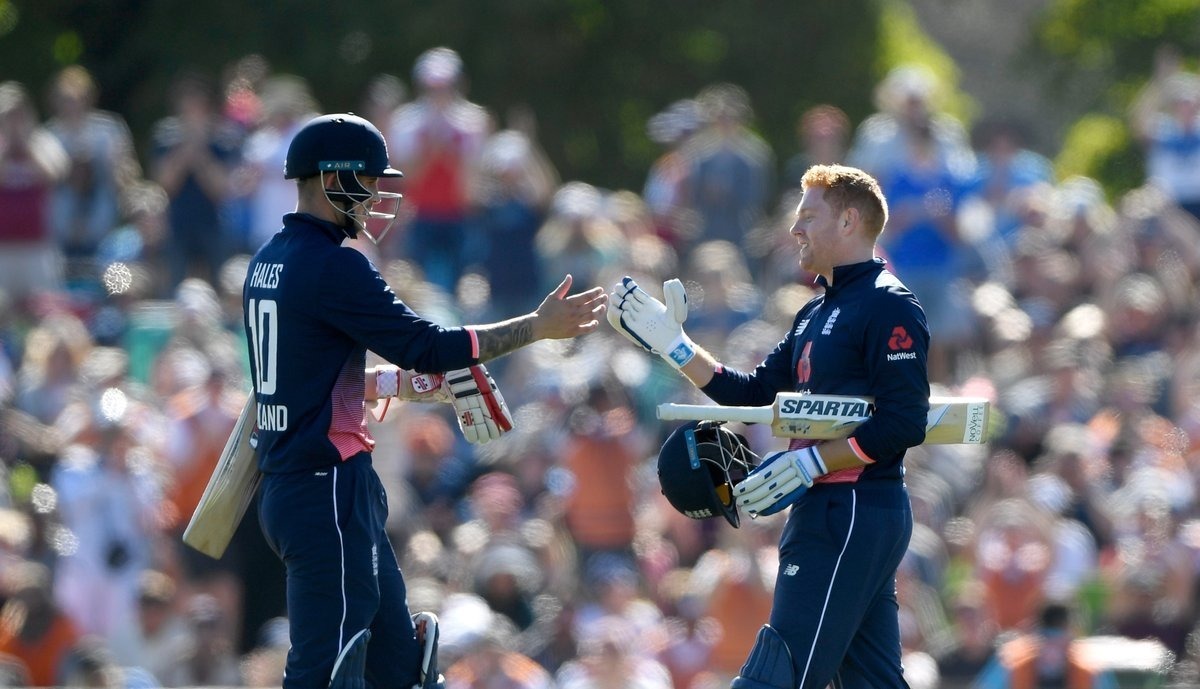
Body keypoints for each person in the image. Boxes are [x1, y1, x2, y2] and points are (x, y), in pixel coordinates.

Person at [243, 112, 607, 689]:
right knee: (322, 675)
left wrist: (396, 385)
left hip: (317, 488)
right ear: (336, 180)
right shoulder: (334, 264)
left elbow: (303, 379)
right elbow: (428, 346)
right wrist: (536, 328)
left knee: (399, 669)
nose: (376, 201)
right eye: (368, 183)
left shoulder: (269, 260)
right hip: (325, 493)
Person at [609, 163, 930, 689]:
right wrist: (676, 347)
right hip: (833, 510)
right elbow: (753, 392)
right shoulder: (814, 311)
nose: (794, 229)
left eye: (808, 216)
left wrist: (812, 460)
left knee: (776, 678)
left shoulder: (887, 304)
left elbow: (903, 422)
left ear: (849, 221)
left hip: (851, 507)